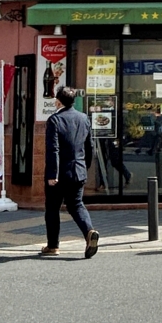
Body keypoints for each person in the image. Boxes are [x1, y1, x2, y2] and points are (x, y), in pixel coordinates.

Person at [42, 86, 100, 258]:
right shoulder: (83, 118)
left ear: (58, 101)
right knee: (76, 205)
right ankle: (89, 232)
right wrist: (85, 167)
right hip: (78, 171)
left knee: (52, 208)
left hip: (60, 173)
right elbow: (89, 147)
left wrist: (52, 174)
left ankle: (53, 246)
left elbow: (53, 149)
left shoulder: (54, 120)